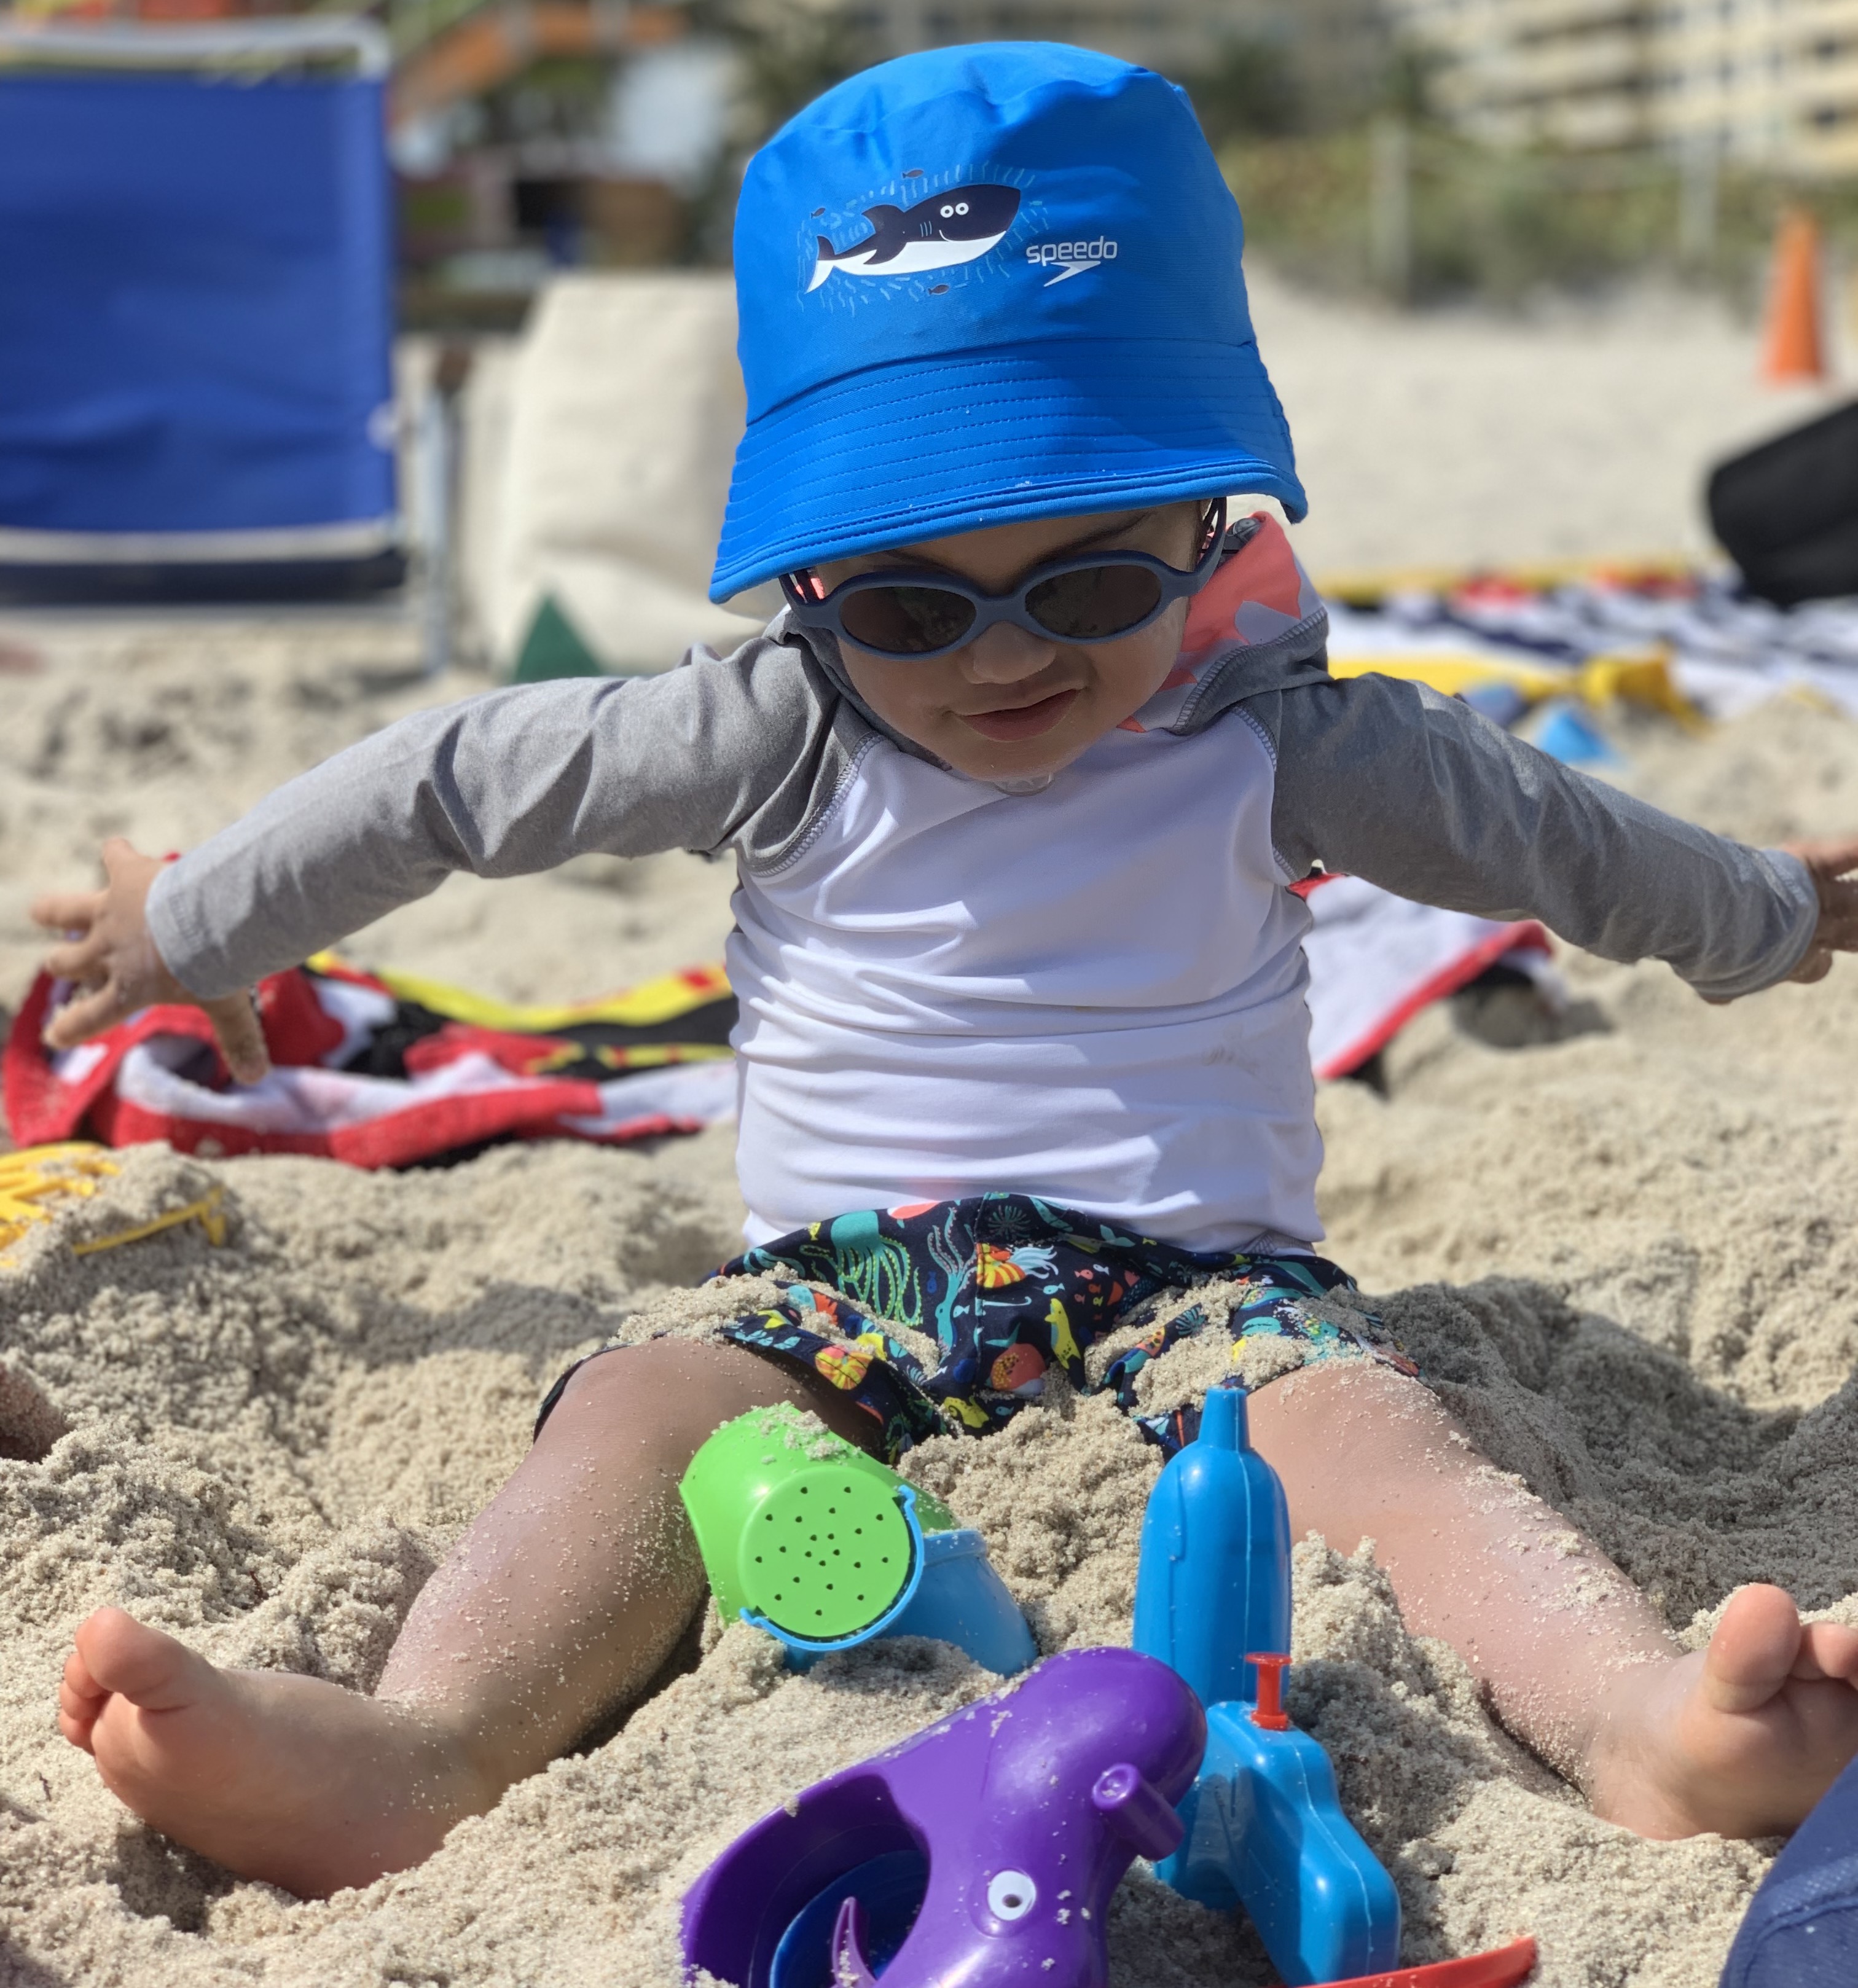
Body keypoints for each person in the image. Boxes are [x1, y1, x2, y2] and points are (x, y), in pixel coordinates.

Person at [34, 44, 1858, 1903]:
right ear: (810, 584)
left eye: (1085, 588)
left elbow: (1561, 840)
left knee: (1383, 1441)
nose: (1001, 662)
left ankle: (1643, 1720)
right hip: (843, 1279)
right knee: (645, 1416)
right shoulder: (775, 727)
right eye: (914, 603)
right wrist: (194, 924)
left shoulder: (1281, 738)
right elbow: (456, 785)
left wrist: (1770, 912)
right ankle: (423, 1747)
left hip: (1205, 1280)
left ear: (1205, 528)